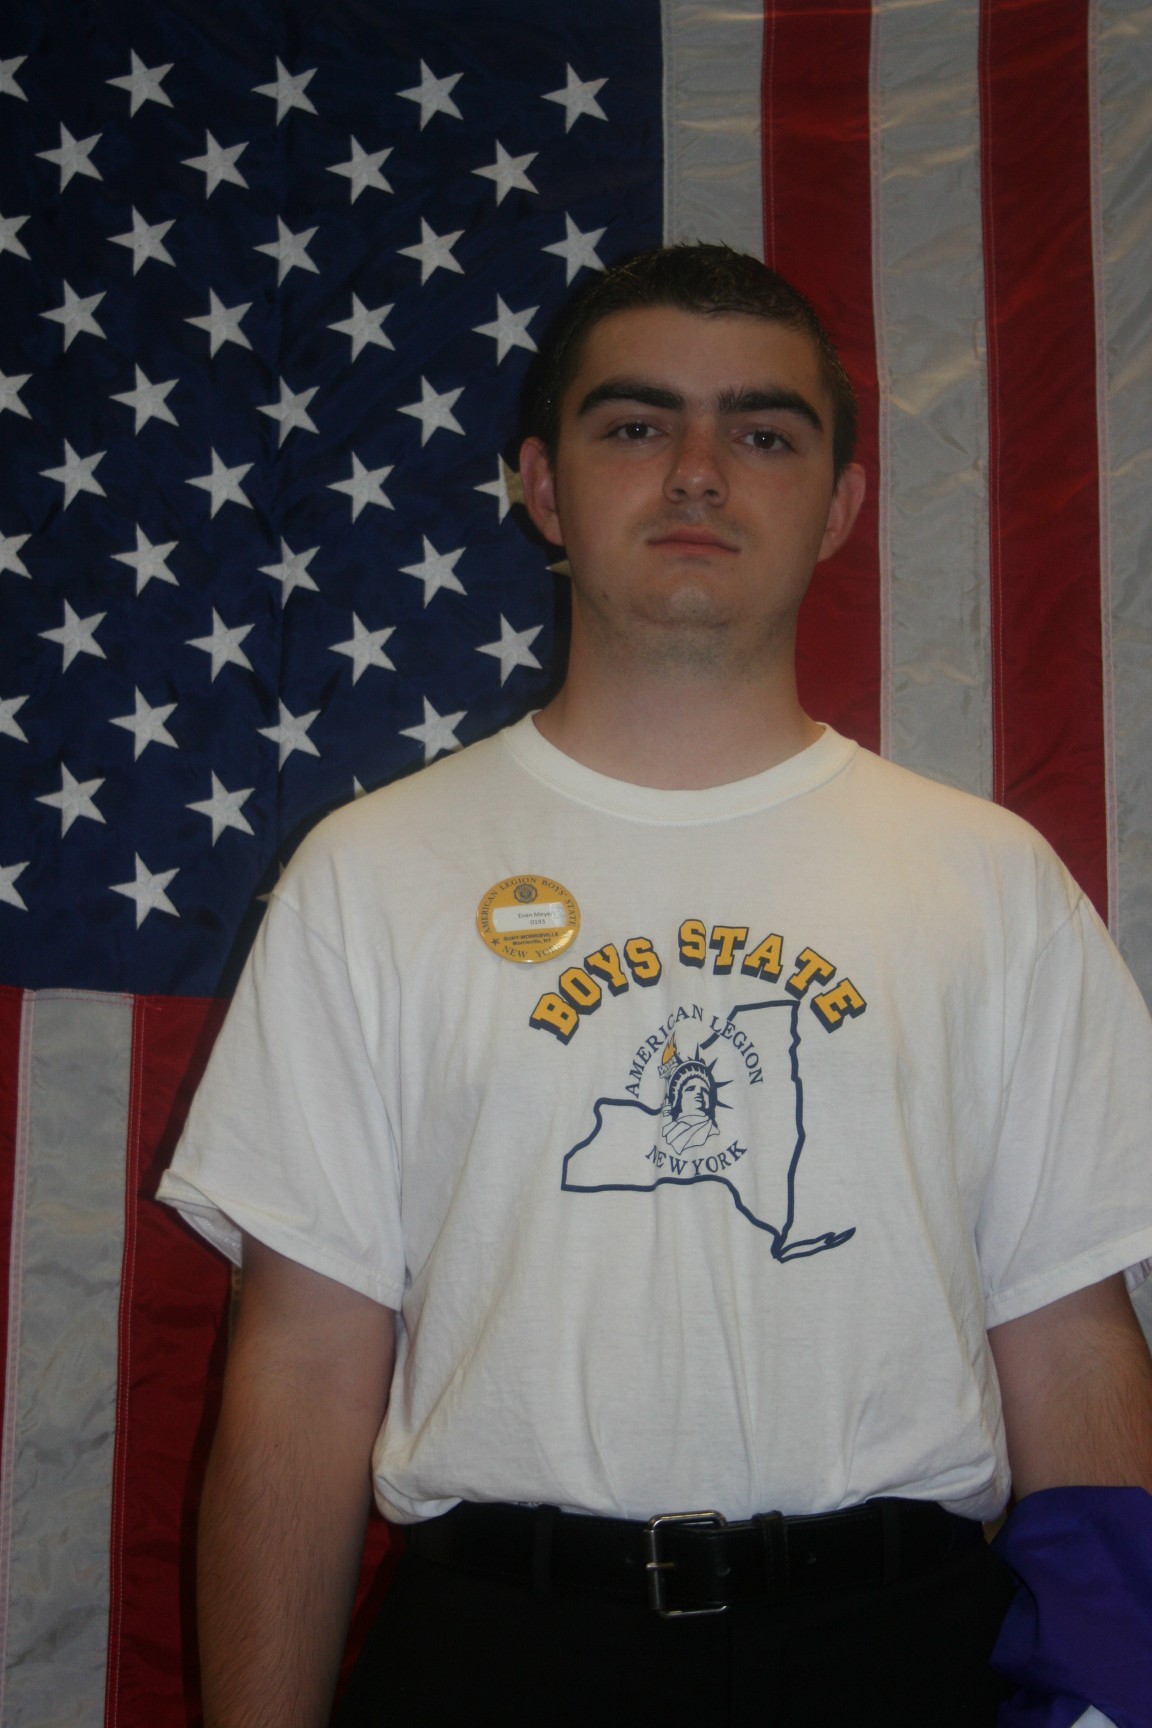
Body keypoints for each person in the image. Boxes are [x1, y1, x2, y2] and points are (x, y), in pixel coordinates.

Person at [159, 244, 1152, 1728]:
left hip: (902, 1654)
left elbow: (1071, 1344)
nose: (698, 472)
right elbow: (299, 1371)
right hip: (502, 1658)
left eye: (764, 433)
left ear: (842, 505)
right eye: (636, 425)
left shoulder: (990, 882)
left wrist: (1117, 1699)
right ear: (545, 488)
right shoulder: (373, 874)